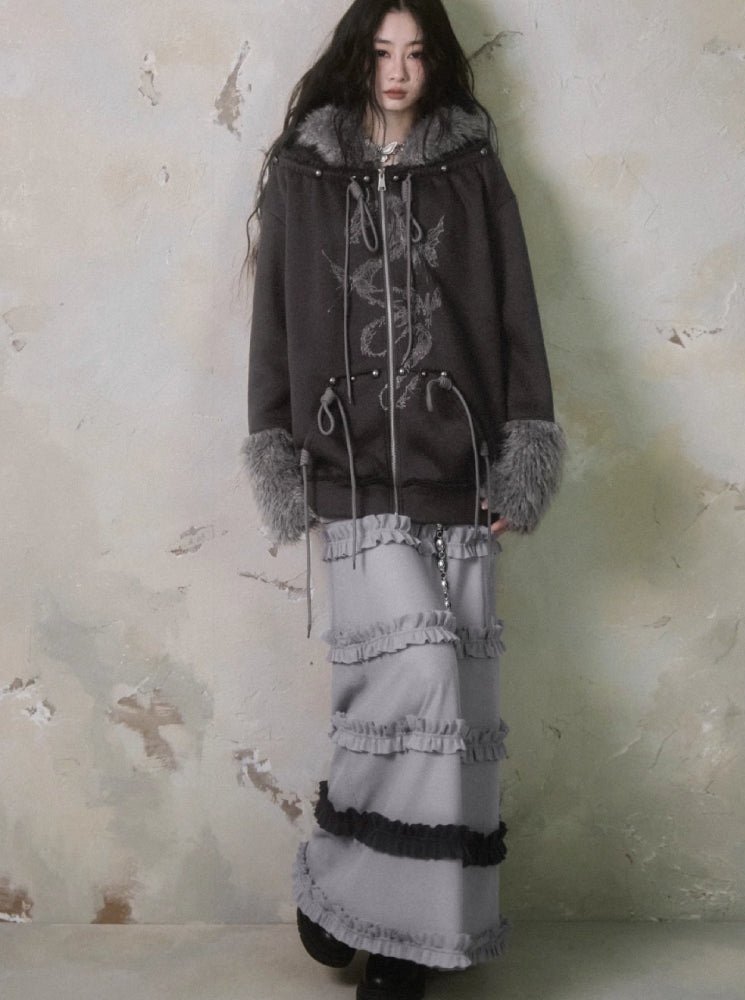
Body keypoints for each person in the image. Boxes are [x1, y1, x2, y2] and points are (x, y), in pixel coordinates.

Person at [244, 2, 564, 997]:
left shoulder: (472, 168)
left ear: (436, 62)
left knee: (451, 706)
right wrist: (278, 444)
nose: (398, 71)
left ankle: (390, 928)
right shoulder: (303, 172)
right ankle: (367, 906)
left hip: (458, 470)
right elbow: (274, 321)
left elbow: (516, 313)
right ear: (357, 57)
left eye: (417, 53)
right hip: (350, 472)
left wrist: (522, 447)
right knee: (414, 682)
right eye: (382, 52)